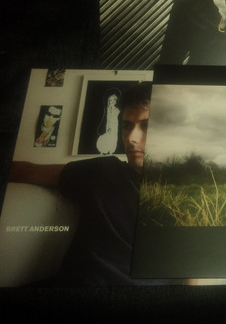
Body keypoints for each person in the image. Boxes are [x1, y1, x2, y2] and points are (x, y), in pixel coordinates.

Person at [9, 82, 157, 285]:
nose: (131, 138)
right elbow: (26, 171)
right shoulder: (102, 171)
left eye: (146, 126)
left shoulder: (191, 196)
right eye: (126, 125)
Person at [96, 89, 120, 155]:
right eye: (110, 100)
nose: (112, 101)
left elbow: (115, 118)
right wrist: (108, 126)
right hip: (108, 125)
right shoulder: (107, 109)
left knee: (113, 137)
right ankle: (103, 149)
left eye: (114, 100)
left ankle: (111, 150)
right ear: (108, 101)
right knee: (106, 136)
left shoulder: (117, 110)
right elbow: (108, 118)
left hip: (114, 125)